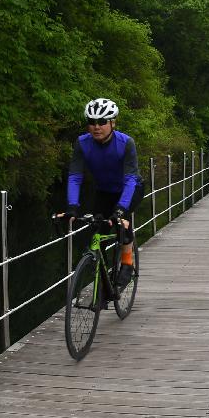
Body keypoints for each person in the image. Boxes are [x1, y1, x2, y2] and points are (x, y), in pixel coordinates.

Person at [63, 98, 143, 288]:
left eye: (102, 122)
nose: (96, 127)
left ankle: (127, 264)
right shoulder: (82, 144)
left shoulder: (126, 143)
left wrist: (121, 210)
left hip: (130, 189)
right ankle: (102, 276)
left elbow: (130, 179)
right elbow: (75, 176)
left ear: (112, 123)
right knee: (97, 230)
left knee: (122, 224)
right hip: (104, 190)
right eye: (92, 122)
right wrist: (72, 206)